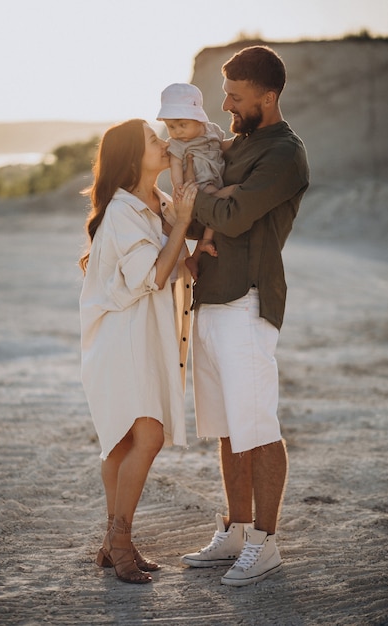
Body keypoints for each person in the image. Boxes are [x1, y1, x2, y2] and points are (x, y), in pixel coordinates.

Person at [180, 45, 310, 586]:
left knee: (256, 425)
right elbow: (196, 218)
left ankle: (266, 540)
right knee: (229, 429)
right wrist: (204, 196)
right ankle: (234, 529)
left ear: (268, 96)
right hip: (210, 300)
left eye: (236, 95)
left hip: (249, 301)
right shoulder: (238, 145)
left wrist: (199, 196)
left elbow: (229, 217)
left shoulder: (284, 154)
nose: (226, 104)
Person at [79, 119, 197, 584]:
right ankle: (121, 540)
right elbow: (153, 275)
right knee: (146, 437)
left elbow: (178, 262)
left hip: (144, 333)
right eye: (153, 140)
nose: (164, 142)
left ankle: (113, 544)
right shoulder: (123, 211)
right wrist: (184, 224)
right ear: (132, 158)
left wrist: (190, 239)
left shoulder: (159, 202)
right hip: (121, 336)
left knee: (126, 440)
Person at [157, 83, 232, 280]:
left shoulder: (212, 130)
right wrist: (179, 186)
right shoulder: (178, 145)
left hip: (215, 180)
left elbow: (224, 146)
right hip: (198, 185)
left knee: (218, 208)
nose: (178, 131)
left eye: (183, 125)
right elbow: (175, 166)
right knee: (223, 197)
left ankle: (199, 251)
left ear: (199, 119)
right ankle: (205, 242)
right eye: (171, 127)